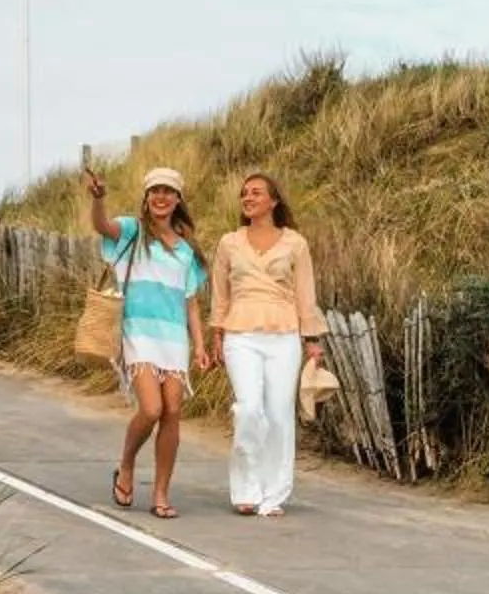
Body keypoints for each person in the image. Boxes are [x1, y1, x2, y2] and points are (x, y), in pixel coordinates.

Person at [86, 164, 210, 520]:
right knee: (152, 409)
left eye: (168, 191)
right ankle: (126, 464)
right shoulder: (132, 231)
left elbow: (190, 302)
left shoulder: (187, 250)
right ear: (146, 197)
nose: (161, 197)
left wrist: (199, 345)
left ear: (177, 199)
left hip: (173, 340)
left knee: (173, 412)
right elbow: (101, 226)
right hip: (138, 335)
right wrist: (99, 199)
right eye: (155, 190)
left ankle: (160, 494)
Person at [209, 171, 328, 516]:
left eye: (256, 193)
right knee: (248, 409)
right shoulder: (229, 242)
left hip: (284, 336)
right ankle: (246, 488)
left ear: (273, 201)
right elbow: (220, 293)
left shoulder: (295, 243)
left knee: (278, 415)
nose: (247, 198)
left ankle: (273, 495)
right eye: (244, 193)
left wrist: (312, 340)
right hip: (240, 334)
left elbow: (305, 295)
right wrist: (217, 333)